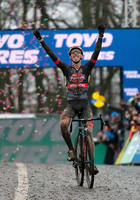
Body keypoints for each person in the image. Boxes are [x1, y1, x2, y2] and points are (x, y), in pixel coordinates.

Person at [33, 24, 105, 175]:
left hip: (85, 106)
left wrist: (100, 35)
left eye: (78, 53)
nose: (76, 54)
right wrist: (40, 40)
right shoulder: (66, 68)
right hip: (71, 105)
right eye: (73, 53)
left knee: (89, 134)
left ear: (81, 56)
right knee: (63, 123)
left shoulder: (87, 68)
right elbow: (52, 54)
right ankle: (72, 150)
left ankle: (91, 163)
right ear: (70, 57)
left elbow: (97, 52)